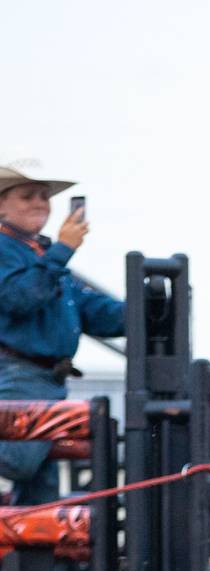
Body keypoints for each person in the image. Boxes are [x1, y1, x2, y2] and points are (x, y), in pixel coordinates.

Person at [0, 157, 124, 505]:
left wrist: (139, 310)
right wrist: (63, 250)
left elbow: (87, 311)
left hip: (42, 376)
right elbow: (18, 298)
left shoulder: (38, 253)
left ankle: (34, 556)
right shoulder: (23, 252)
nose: (39, 203)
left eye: (43, 195)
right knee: (20, 462)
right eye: (27, 196)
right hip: (18, 374)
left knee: (40, 488)